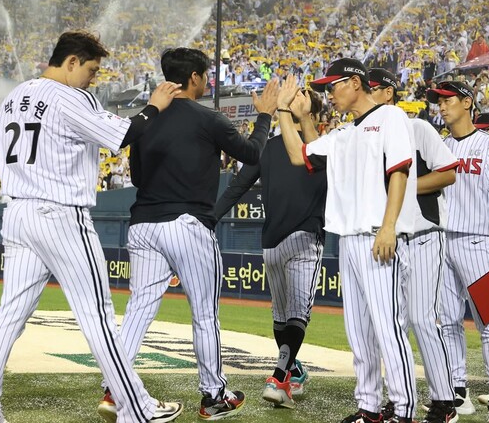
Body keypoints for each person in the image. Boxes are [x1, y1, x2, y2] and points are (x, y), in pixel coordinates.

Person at [0, 30, 184, 423]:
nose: (93, 79)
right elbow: (124, 134)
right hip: (60, 215)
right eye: (91, 70)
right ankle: (138, 408)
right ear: (71, 62)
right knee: (97, 316)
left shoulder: (12, 98)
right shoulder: (70, 96)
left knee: (7, 317)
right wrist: (154, 106)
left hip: (17, 214)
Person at [111, 47, 279, 421]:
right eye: (206, 76)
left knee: (139, 309)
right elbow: (252, 153)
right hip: (187, 224)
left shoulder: (147, 120)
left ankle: (115, 386)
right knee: (204, 314)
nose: (207, 81)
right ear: (194, 79)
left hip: (142, 225)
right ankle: (214, 396)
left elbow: (137, 178)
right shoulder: (209, 118)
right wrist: (265, 114)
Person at [276, 60, 420, 423]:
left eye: (334, 85)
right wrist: (285, 112)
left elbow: (399, 171)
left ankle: (404, 410)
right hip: (349, 240)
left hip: (378, 236)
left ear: (356, 83)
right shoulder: (343, 133)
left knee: (389, 329)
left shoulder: (390, 117)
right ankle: (369, 407)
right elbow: (301, 154)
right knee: (359, 334)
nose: (329, 93)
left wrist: (389, 226)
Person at [214, 89, 326, 409]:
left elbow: (237, 186)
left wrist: (210, 217)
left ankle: (292, 369)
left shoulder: (267, 149)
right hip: (305, 238)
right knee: (296, 316)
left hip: (271, 244)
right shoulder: (324, 146)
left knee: (281, 316)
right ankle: (279, 378)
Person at [371, 68, 459, 423]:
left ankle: (444, 401)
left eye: (373, 89)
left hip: (422, 234)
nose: (367, 95)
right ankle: (399, 398)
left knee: (423, 319)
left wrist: (403, 187)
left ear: (389, 93)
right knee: (393, 323)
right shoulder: (368, 135)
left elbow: (448, 172)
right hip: (390, 238)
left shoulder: (417, 127)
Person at [427, 81, 489, 423]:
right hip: (443, 242)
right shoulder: (442, 145)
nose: (442, 106)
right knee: (447, 321)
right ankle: (455, 391)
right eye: (439, 101)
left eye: (448, 100)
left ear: (467, 103)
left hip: (480, 242)